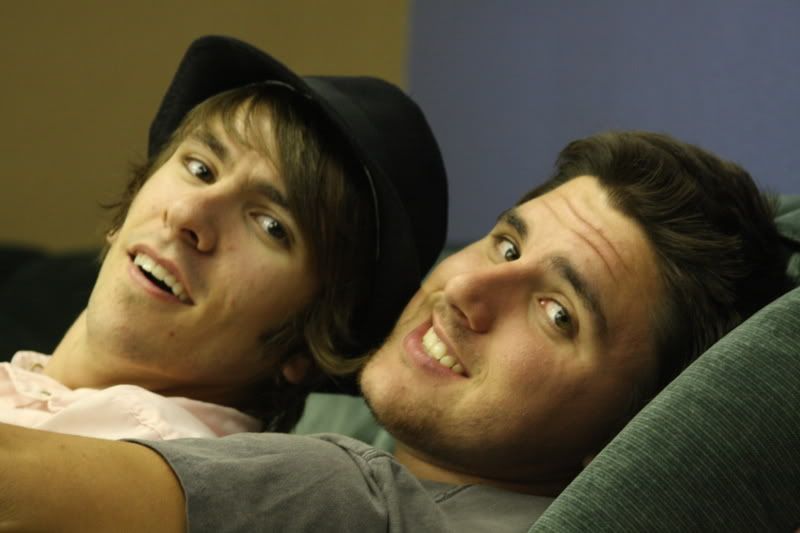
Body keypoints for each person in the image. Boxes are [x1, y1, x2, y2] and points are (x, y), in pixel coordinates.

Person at [1, 131, 792, 530]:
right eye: (505, 245)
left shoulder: (352, 496)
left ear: (627, 434)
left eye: (557, 313)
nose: (467, 289)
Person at [0, 35, 448, 439]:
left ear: (307, 350)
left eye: (271, 226)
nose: (187, 215)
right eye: (200, 169)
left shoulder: (156, 471)